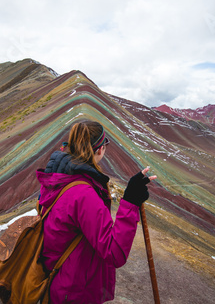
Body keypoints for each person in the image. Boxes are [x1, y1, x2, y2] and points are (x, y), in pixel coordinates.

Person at [37, 120, 156, 304]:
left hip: (59, 283)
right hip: (75, 291)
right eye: (105, 144)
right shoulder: (83, 193)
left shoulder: (57, 179)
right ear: (100, 149)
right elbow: (114, 252)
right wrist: (130, 201)